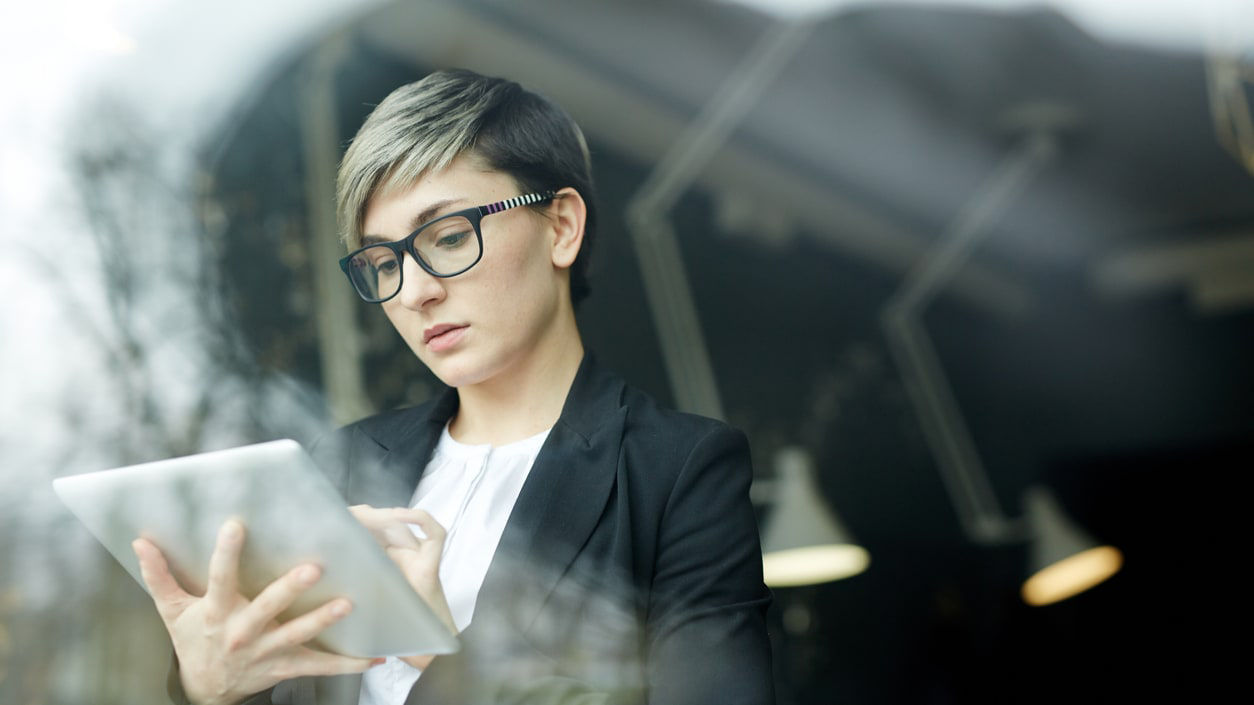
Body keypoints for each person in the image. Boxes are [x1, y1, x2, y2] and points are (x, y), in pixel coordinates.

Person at [132, 68, 773, 705]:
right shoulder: (340, 466)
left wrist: (447, 657)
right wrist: (209, 690)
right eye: (384, 262)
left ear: (561, 227)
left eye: (448, 237)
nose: (414, 292)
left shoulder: (677, 473)